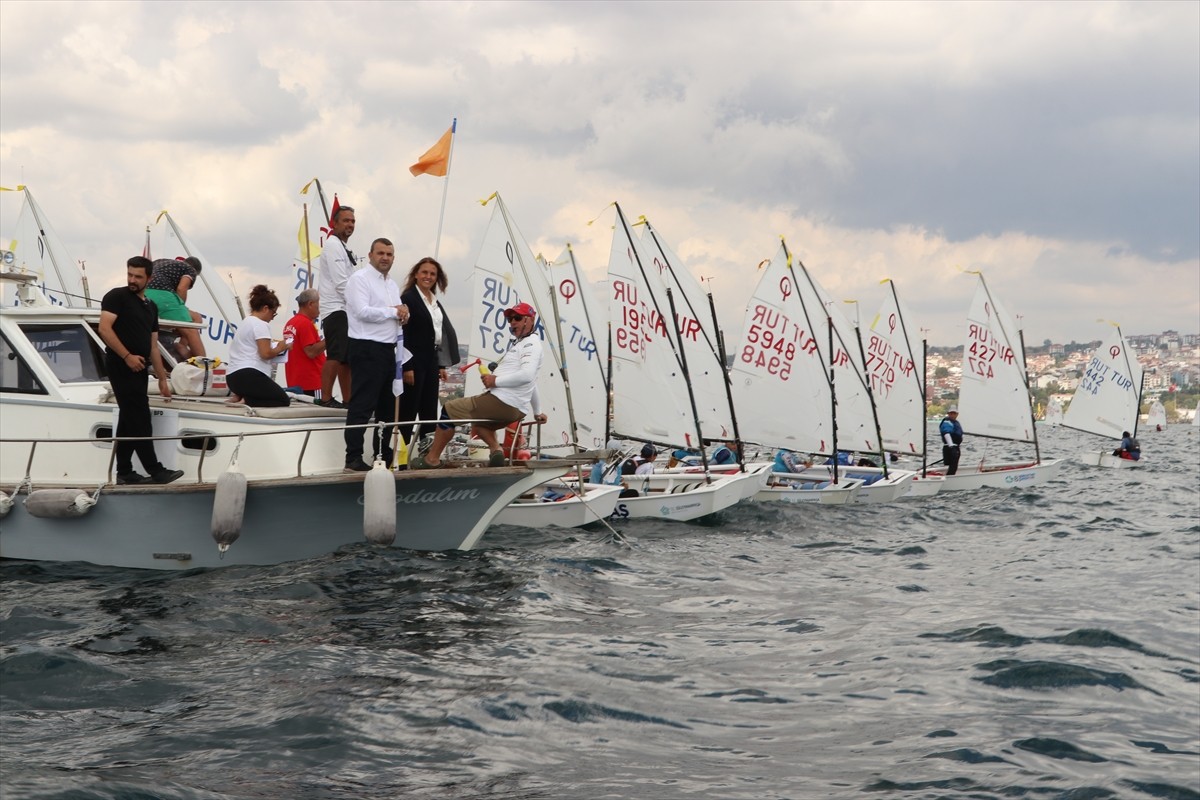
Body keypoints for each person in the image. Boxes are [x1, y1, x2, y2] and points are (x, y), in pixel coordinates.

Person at [414, 301, 546, 469]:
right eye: (510, 319)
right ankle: (496, 450)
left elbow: (527, 376)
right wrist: (537, 411)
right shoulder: (523, 343)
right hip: (514, 407)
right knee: (479, 424)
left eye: (518, 318)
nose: (513, 322)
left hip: (504, 402)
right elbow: (532, 381)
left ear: (530, 319)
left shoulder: (530, 345)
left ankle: (431, 460)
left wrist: (495, 381)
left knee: (448, 409)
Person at [96, 256, 185, 485]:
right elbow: (104, 329)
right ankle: (156, 471)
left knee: (129, 418)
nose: (132, 280)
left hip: (140, 367)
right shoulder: (116, 297)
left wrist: (163, 379)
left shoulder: (150, 306)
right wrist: (126, 356)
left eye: (138, 276)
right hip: (120, 364)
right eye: (130, 275)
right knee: (140, 417)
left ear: (149, 278)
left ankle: (124, 471)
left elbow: (153, 346)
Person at [342, 238, 410, 472]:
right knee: (362, 405)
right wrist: (393, 312)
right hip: (366, 347)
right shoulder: (359, 279)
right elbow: (362, 312)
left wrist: (404, 313)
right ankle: (353, 458)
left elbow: (396, 312)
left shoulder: (391, 284)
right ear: (370, 255)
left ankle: (381, 455)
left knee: (387, 408)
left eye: (389, 254)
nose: (385, 258)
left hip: (387, 349)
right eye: (380, 253)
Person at [398, 257, 460, 446]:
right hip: (414, 360)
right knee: (409, 408)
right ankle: (400, 452)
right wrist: (407, 366)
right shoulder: (408, 298)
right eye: (424, 272)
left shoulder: (433, 301)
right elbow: (403, 333)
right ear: (416, 274)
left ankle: (427, 451)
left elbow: (437, 333)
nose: (428, 276)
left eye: (433, 274)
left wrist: (441, 364)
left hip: (431, 360)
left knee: (429, 408)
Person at [226, 285, 292, 408]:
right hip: (249, 375)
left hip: (232, 378)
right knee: (283, 400)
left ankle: (243, 396)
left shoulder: (246, 322)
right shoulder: (261, 324)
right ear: (265, 308)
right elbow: (265, 354)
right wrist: (281, 347)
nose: (273, 318)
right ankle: (248, 400)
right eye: (273, 313)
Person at [317, 205, 357, 408]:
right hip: (336, 308)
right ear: (334, 223)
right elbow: (341, 283)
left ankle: (348, 400)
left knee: (346, 358)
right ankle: (326, 398)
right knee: (335, 354)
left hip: (344, 309)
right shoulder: (333, 245)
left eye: (353, 221)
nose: (350, 224)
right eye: (346, 220)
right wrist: (360, 303)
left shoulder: (342, 246)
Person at [145, 256, 207, 361]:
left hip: (143, 294)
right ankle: (203, 363)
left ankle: (180, 344)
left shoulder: (161, 261)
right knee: (192, 326)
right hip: (162, 295)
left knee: (194, 316)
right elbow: (181, 288)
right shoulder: (190, 269)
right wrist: (181, 310)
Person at [283, 288, 326, 396]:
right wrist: (332, 338)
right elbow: (311, 352)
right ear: (310, 304)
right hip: (312, 382)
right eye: (318, 305)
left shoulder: (290, 323)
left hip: (295, 381)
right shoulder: (305, 324)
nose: (320, 310)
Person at [940, 405, 963, 475]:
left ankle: (949, 477)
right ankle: (949, 478)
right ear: (948, 413)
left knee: (953, 466)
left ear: (957, 414)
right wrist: (951, 447)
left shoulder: (955, 422)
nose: (952, 415)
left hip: (955, 447)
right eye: (951, 413)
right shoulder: (947, 422)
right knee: (952, 467)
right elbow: (946, 433)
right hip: (950, 447)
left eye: (954, 413)